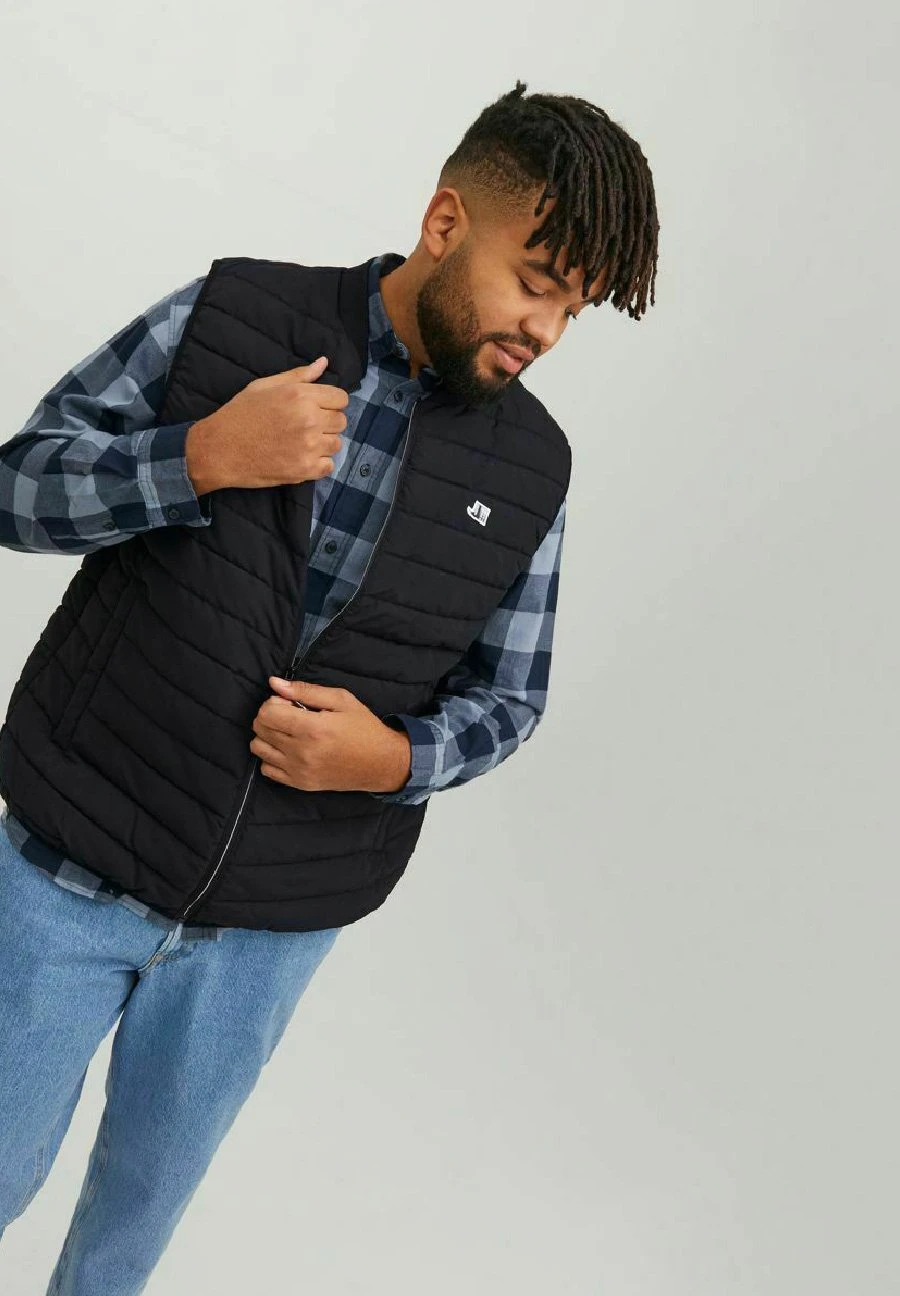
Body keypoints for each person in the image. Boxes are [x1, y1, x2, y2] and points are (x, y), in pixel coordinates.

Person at [0, 79, 659, 1293]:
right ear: (447, 223)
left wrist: (395, 759)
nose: (547, 331)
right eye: (535, 283)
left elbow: (510, 698)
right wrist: (198, 457)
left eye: (575, 309)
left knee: (128, 1236)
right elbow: (20, 484)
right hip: (66, 870)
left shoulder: (532, 467)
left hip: (269, 931)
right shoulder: (235, 316)